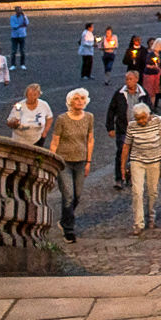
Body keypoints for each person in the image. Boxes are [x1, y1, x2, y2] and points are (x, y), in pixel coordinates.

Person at [50, 88, 97, 242]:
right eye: (77, 99)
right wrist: (52, 161)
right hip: (64, 162)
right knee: (68, 195)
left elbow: (90, 139)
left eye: (82, 99)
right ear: (71, 101)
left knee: (77, 195)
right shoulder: (62, 119)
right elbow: (55, 140)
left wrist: (88, 161)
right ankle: (69, 230)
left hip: (81, 161)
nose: (80, 102)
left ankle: (64, 220)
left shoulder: (89, 117)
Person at [119, 103, 161, 236]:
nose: (141, 121)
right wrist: (123, 165)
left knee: (152, 191)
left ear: (148, 115)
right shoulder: (132, 126)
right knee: (137, 191)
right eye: (138, 119)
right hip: (137, 161)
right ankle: (138, 223)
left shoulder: (157, 121)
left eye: (143, 118)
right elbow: (126, 145)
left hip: (154, 161)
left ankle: (151, 216)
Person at [107, 71, 150, 190]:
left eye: (130, 79)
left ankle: (131, 176)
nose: (128, 81)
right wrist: (110, 127)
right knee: (121, 152)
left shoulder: (143, 94)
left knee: (135, 155)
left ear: (136, 79)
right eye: (127, 79)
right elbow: (111, 110)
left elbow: (149, 110)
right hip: (123, 128)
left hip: (138, 129)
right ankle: (119, 178)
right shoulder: (120, 93)